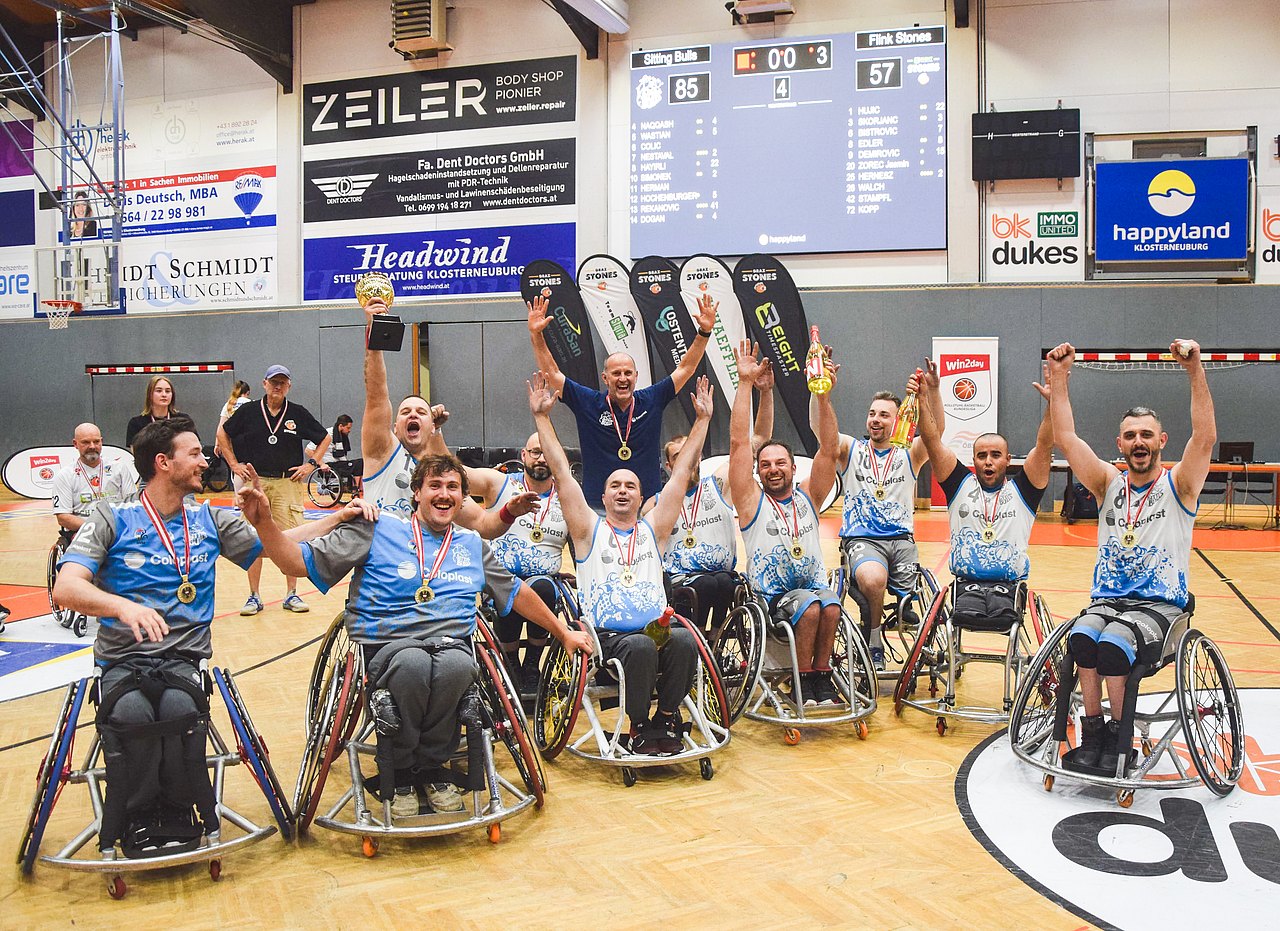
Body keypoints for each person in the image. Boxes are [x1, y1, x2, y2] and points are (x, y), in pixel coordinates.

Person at [51, 420, 362, 855]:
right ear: (164, 463)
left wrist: (336, 518)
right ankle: (138, 814)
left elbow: (279, 546)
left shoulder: (208, 517)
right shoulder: (112, 517)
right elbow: (66, 588)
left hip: (182, 662)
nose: (205, 460)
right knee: (133, 714)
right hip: (124, 663)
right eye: (195, 453)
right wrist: (122, 606)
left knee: (180, 707)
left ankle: (182, 810)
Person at [241, 453, 592, 817]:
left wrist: (563, 632)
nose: (444, 494)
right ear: (417, 494)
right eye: (435, 486)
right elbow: (294, 562)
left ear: (462, 499)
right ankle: (402, 770)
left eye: (453, 487)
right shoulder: (376, 530)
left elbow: (516, 593)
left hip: (450, 645)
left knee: (458, 667)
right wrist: (265, 521)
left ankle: (433, 769)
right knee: (412, 664)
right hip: (387, 646)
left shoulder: (472, 545)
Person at [1047, 339, 1214, 773]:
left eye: (1146, 435)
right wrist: (1060, 378)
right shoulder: (1107, 483)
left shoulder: (1180, 486)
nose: (1138, 442)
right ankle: (1094, 732)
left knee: (1115, 646)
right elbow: (1066, 438)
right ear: (1119, 443)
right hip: (1108, 601)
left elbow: (1206, 436)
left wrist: (1194, 369)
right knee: (1082, 637)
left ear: (1161, 440)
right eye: (1130, 436)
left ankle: (1122, 738)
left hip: (1159, 607)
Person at [529, 369, 715, 754]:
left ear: (642, 494)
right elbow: (562, 473)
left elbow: (681, 473)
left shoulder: (654, 529)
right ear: (604, 493)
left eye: (631, 485)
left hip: (654, 632)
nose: (623, 490)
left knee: (683, 640)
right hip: (606, 639)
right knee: (641, 648)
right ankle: (638, 725)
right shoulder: (587, 530)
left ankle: (665, 716)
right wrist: (542, 417)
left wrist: (703, 421)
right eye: (615, 485)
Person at [356, 295, 540, 537]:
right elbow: (377, 394)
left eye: (421, 412)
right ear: (395, 427)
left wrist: (510, 511)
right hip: (383, 568)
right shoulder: (382, 452)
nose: (413, 414)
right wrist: (376, 333)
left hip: (428, 570)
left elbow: (484, 525)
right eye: (405, 412)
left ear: (432, 426)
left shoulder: (443, 479)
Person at [527, 292, 719, 506]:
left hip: (648, 508)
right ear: (605, 378)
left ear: (636, 377)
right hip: (596, 508)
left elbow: (685, 368)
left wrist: (704, 332)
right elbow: (552, 374)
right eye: (616, 373)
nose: (622, 378)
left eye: (628, 373)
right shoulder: (587, 402)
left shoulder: (652, 399)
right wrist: (537, 335)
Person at [730, 341, 843, 706]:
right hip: (773, 600)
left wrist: (822, 395)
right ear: (758, 471)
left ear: (794, 468)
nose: (774, 469)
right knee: (812, 607)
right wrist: (745, 385)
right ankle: (801, 679)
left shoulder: (808, 497)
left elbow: (828, 448)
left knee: (831, 605)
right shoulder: (751, 502)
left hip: (813, 591)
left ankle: (820, 677)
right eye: (766, 464)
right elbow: (737, 444)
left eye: (781, 463)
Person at [915, 359, 1054, 619]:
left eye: (995, 455)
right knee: (965, 615)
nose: (988, 461)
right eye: (982, 455)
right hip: (965, 585)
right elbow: (932, 440)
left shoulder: (1023, 491)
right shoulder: (960, 485)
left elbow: (1044, 444)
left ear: (1008, 459)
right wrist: (924, 398)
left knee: (1003, 616)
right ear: (974, 460)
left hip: (1009, 587)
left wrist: (1052, 403)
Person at [640, 366, 774, 634]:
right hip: (681, 581)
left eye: (692, 453)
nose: (688, 460)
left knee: (723, 582)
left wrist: (767, 393)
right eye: (679, 456)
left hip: (721, 576)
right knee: (708, 585)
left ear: (699, 456)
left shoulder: (720, 485)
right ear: (668, 465)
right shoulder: (656, 503)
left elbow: (757, 441)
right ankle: (698, 636)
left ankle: (716, 634)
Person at [821, 363, 931, 669]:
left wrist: (925, 398)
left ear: (898, 421)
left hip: (901, 540)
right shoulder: (851, 449)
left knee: (911, 595)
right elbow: (823, 433)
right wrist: (823, 395)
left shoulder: (909, 453)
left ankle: (894, 604)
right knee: (873, 578)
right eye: (872, 413)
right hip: (862, 538)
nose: (875, 420)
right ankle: (874, 638)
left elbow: (938, 433)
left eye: (884, 415)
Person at [217, 365, 331, 615]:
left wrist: (310, 464)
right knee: (251, 538)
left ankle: (291, 594)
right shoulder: (248, 411)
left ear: (289, 385)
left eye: (283, 382)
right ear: (264, 384)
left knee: (293, 537)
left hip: (286, 483)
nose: (278, 386)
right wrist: (233, 464)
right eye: (273, 382)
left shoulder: (298, 413)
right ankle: (254, 596)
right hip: (255, 482)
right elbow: (222, 433)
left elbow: (324, 437)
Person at [51, 422, 137, 540]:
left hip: (118, 530)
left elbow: (133, 505)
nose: (92, 446)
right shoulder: (65, 475)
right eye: (85, 442)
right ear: (75, 444)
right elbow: (63, 517)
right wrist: (95, 528)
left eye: (96, 442)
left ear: (101, 441)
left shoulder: (119, 468)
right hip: (82, 531)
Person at [125, 375, 193, 449]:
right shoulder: (136, 423)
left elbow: (193, 447)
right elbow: (137, 454)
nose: (164, 395)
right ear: (150, 395)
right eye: (159, 391)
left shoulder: (183, 420)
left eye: (167, 391)